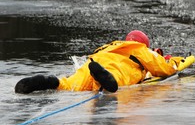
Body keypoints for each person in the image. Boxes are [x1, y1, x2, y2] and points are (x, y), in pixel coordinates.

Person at [15, 30, 185, 94]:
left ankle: (52, 81)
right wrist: (174, 65)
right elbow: (160, 68)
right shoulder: (139, 48)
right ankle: (103, 78)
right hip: (113, 68)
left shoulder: (109, 46)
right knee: (116, 77)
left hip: (91, 62)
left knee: (69, 84)